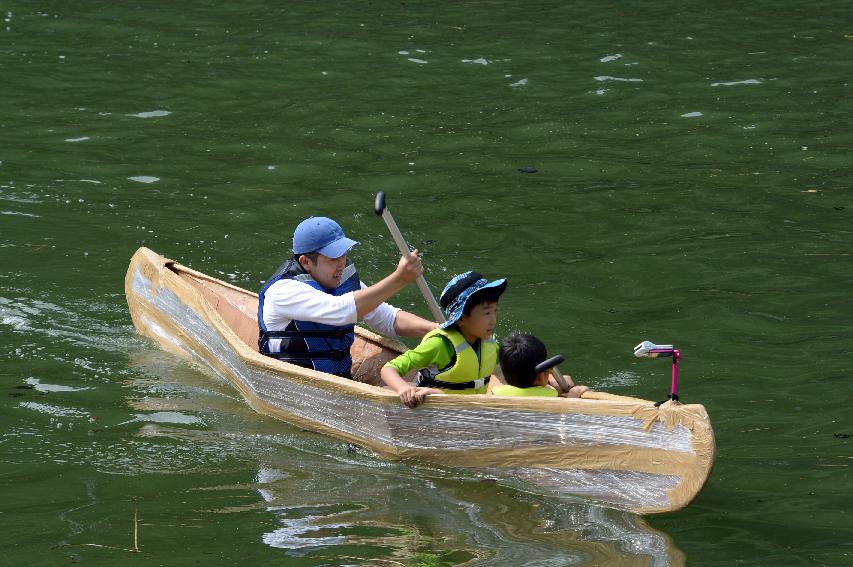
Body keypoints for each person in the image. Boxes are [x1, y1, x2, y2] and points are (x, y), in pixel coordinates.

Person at [258, 216, 437, 378]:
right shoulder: (284, 291)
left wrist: (436, 329)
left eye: (343, 254)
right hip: (291, 382)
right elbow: (340, 311)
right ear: (305, 262)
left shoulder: (341, 279)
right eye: (333, 258)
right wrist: (400, 279)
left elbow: (387, 318)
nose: (341, 264)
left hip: (340, 379)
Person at [380, 271, 507, 407]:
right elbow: (388, 369)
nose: (493, 320)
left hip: (470, 412)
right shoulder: (439, 345)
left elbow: (514, 361)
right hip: (436, 413)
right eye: (487, 313)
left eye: (495, 311)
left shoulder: (488, 344)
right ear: (461, 318)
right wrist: (402, 388)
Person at [493, 333, 589, 397]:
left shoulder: (496, 392)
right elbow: (565, 409)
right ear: (541, 375)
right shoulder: (550, 395)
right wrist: (574, 393)